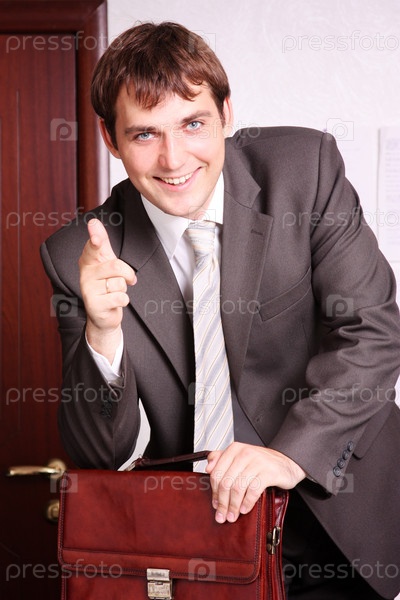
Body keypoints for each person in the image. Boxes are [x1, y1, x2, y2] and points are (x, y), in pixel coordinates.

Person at [41, 22, 400, 599]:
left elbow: (373, 330)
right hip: (202, 546)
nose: (173, 158)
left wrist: (289, 456)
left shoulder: (303, 172)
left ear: (226, 113)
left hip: (335, 515)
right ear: (110, 138)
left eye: (193, 124)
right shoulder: (77, 254)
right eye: (145, 134)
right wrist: (103, 333)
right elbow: (97, 453)